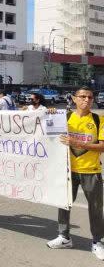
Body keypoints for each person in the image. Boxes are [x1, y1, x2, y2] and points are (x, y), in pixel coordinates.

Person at [47, 87, 104, 260]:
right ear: (74, 98)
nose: (86, 100)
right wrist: (49, 114)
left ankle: (97, 242)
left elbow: (102, 146)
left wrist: (76, 142)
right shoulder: (65, 117)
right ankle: (64, 237)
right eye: (82, 96)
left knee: (95, 209)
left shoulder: (98, 119)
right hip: (67, 171)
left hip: (91, 171)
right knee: (64, 204)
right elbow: (45, 131)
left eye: (90, 97)